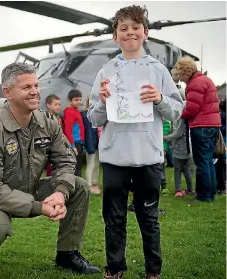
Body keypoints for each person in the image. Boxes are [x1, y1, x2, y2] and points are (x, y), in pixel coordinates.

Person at [0, 62, 100, 279]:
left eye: (36, 85)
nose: (35, 92)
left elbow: (67, 159)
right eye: (26, 87)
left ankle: (67, 253)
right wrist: (40, 207)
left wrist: (59, 192)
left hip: (30, 187)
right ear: (7, 92)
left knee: (80, 187)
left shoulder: (47, 121)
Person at [87, 5, 183, 279]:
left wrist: (160, 99)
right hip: (114, 158)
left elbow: (177, 112)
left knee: (149, 219)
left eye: (135, 27)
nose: (130, 33)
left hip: (149, 158)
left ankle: (153, 272)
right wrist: (104, 102)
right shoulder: (106, 71)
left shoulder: (159, 71)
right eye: (123, 29)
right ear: (115, 36)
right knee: (114, 220)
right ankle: (114, 269)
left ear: (146, 33)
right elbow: (93, 117)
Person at [174, 56, 221, 202]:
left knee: (201, 162)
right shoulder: (205, 80)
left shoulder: (195, 84)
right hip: (212, 125)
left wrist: (180, 114)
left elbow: (192, 108)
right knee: (208, 161)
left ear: (185, 72)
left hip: (201, 126)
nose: (181, 79)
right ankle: (211, 193)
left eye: (181, 76)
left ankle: (204, 195)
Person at [82, 96, 101, 195]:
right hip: (91, 144)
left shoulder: (97, 114)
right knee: (91, 165)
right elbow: (88, 132)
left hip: (97, 144)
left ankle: (94, 183)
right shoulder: (86, 115)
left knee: (96, 164)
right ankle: (88, 185)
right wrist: (90, 147)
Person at [63, 89, 85, 177]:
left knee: (79, 165)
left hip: (79, 142)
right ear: (70, 101)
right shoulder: (69, 112)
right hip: (75, 144)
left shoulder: (76, 111)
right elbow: (68, 130)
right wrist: (72, 145)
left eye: (80, 99)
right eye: (76, 100)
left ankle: (77, 186)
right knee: (76, 166)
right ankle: (75, 186)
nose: (79, 102)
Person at [45, 94, 63, 176]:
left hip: (59, 146)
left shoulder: (58, 118)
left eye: (59, 105)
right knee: (50, 168)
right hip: (50, 147)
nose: (58, 107)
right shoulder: (46, 118)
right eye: (56, 105)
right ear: (48, 105)